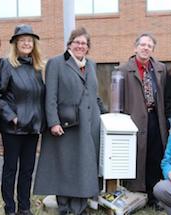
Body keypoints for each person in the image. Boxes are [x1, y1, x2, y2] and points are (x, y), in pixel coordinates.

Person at [33, 27, 101, 215]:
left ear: (88, 47)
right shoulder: (56, 63)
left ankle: (79, 207)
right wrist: (53, 121)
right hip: (65, 124)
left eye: (84, 43)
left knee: (84, 166)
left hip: (89, 124)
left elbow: (94, 95)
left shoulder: (92, 64)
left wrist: (105, 115)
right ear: (69, 44)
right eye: (77, 42)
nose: (80, 46)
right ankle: (64, 207)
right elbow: (50, 96)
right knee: (63, 165)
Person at [0, 24, 44, 215]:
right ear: (15, 43)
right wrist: (11, 117)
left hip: (32, 128)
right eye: (22, 40)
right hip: (13, 128)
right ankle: (10, 208)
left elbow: (39, 97)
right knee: (11, 169)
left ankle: (24, 207)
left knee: (27, 170)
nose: (26, 43)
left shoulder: (37, 68)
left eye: (29, 40)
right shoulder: (6, 64)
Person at [119, 33, 168, 207]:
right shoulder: (124, 70)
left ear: (152, 49)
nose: (145, 48)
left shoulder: (161, 68)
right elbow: (117, 98)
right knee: (138, 156)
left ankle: (154, 196)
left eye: (149, 46)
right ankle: (137, 195)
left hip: (156, 118)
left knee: (156, 156)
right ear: (135, 47)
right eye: (142, 45)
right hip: (134, 120)